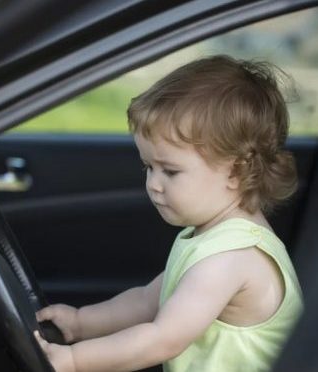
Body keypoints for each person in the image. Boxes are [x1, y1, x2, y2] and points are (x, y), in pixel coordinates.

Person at [34, 55, 304, 372]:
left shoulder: (231, 258)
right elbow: (147, 301)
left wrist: (74, 360)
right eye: (148, 167)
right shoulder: (211, 239)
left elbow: (162, 339)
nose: (153, 185)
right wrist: (80, 323)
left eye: (170, 172)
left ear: (236, 171)